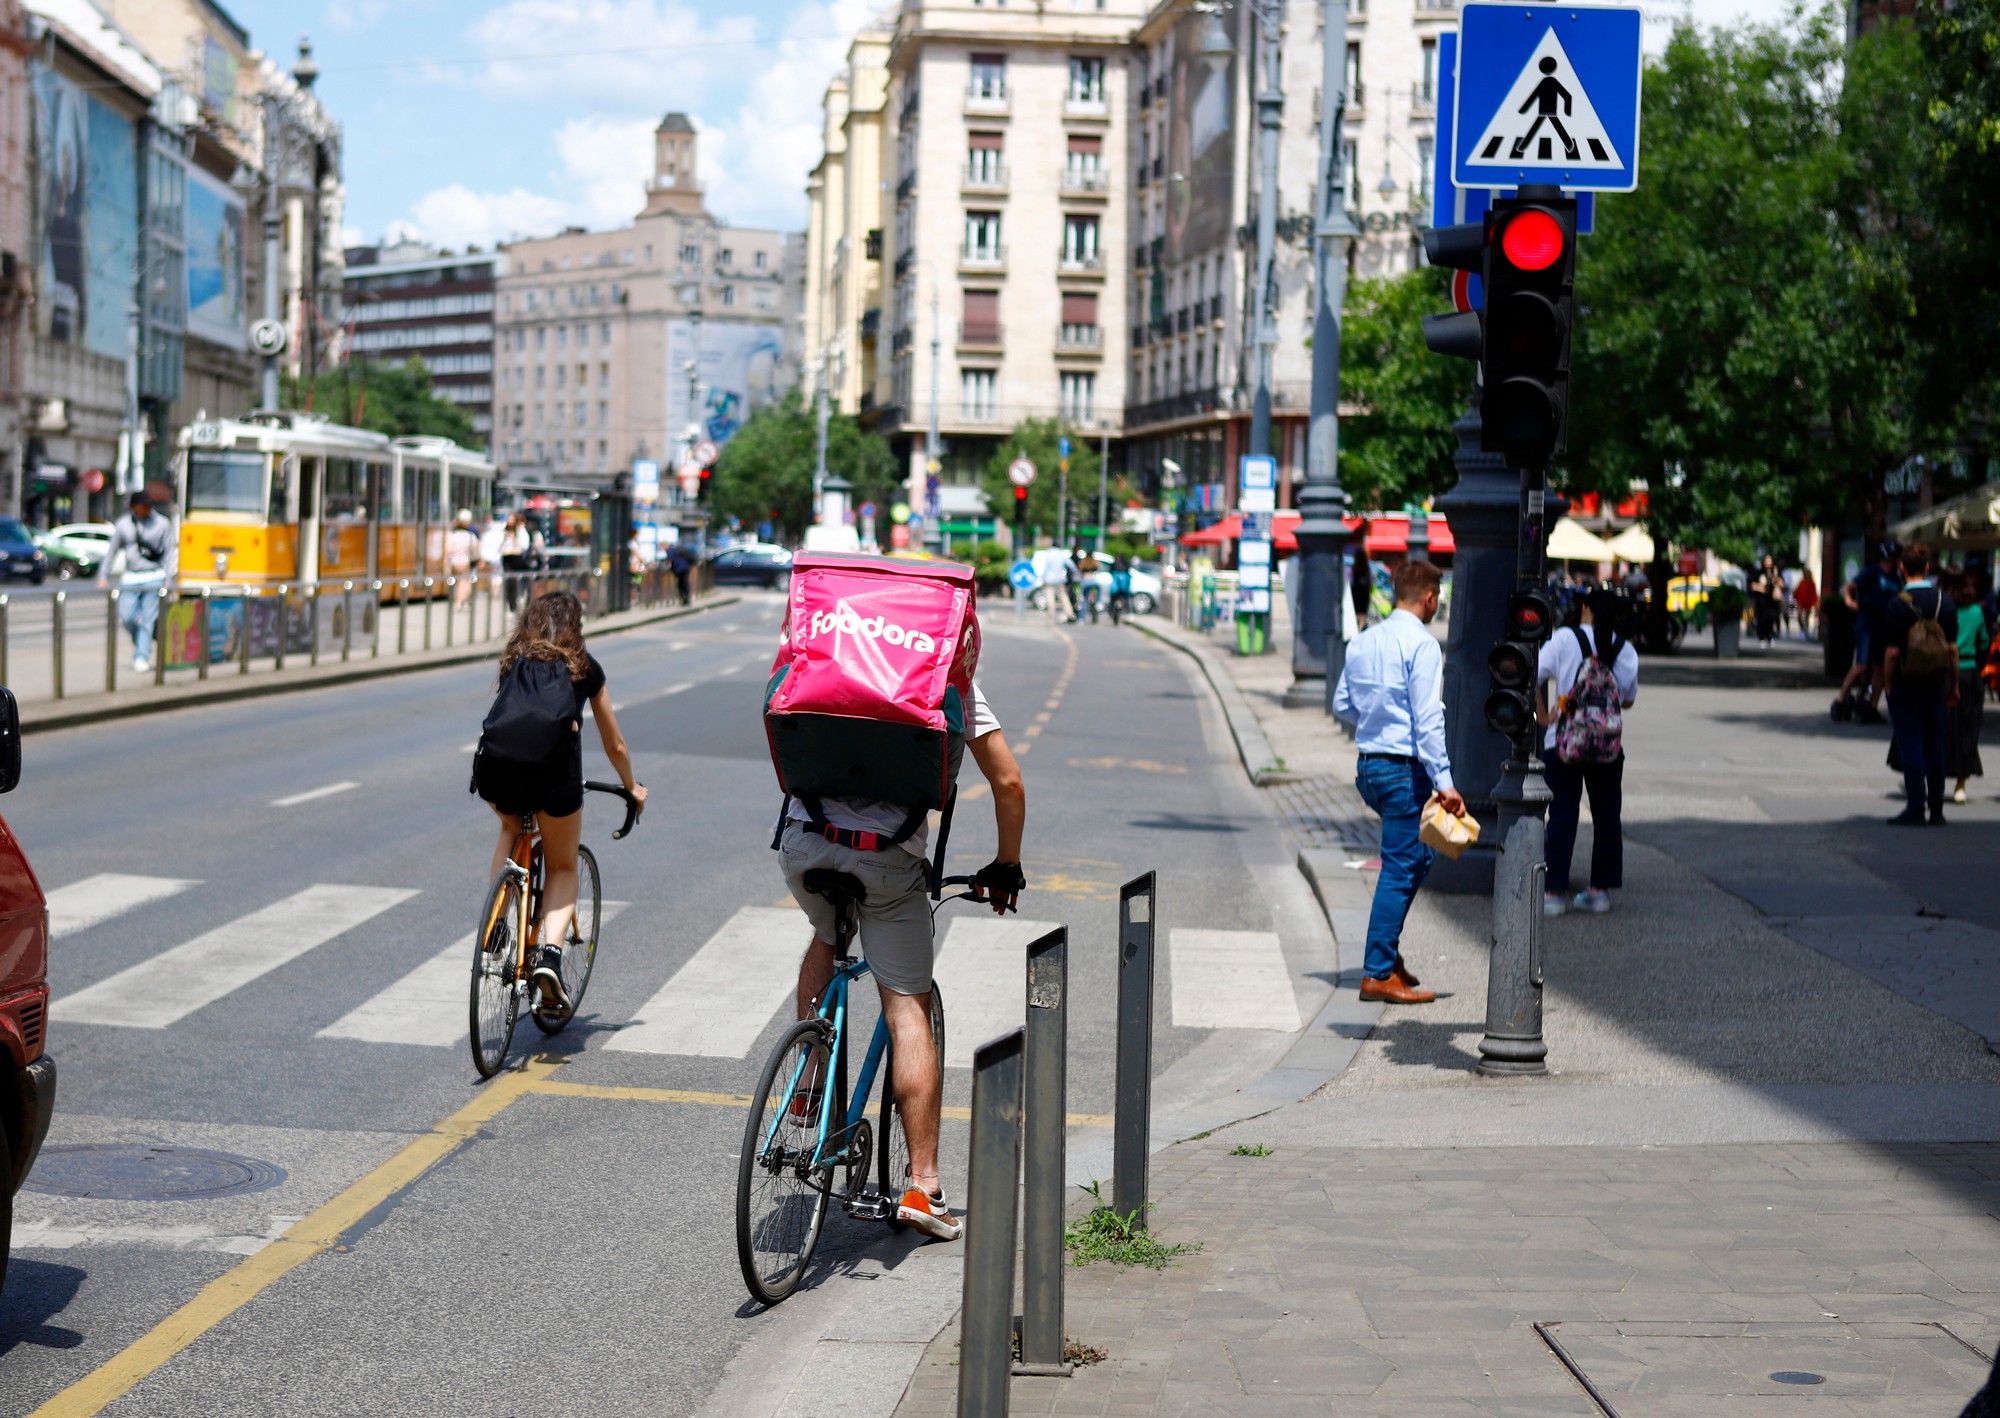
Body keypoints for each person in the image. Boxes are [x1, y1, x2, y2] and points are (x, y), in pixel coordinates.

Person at [780, 684, 1027, 1241]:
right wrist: (1006, 863)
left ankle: (808, 1088)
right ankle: (924, 1185)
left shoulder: (837, 631)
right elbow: (1007, 781)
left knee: (826, 932)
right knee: (907, 1008)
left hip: (804, 841)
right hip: (887, 856)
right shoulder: (945, 670)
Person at [474, 590, 647, 1003]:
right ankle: (550, 956)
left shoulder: (513, 660)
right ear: (576, 626)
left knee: (510, 826)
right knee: (564, 865)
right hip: (554, 779)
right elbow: (615, 744)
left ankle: (496, 920)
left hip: (498, 772)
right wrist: (632, 786)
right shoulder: (583, 667)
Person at [1332, 560, 1464, 1005]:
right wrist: (1445, 783)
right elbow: (1428, 721)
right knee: (1401, 866)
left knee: (1419, 856)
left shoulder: (1362, 641)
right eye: (1437, 599)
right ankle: (1377, 970)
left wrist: (1378, 720)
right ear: (1429, 597)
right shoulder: (1422, 646)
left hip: (1370, 767)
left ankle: (1387, 954)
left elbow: (1342, 703)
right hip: (1403, 770)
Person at [1537, 586, 1640, 915]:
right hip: (1607, 745)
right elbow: (1627, 700)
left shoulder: (1566, 639)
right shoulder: (1624, 650)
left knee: (1563, 813)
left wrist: (1544, 714)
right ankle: (1599, 891)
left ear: (1585, 608)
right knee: (1607, 815)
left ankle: (1553, 893)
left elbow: (1532, 674)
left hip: (1564, 741)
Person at [1880, 544, 1959, 826]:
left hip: (1905, 681)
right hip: (1936, 681)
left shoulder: (1896, 604)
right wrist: (1955, 685)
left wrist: (1888, 684)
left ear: (1902, 568)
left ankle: (1916, 806)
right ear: (1926, 568)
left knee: (1911, 743)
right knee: (1934, 745)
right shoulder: (1945, 603)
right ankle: (1936, 809)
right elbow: (1952, 650)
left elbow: (1891, 653)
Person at [98, 491, 176, 673]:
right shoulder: (124, 525)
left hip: (154, 576)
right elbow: (112, 551)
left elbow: (169, 552)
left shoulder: (162, 523)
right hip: (131, 577)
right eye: (143, 506)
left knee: (148, 619)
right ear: (134, 507)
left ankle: (142, 655)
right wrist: (103, 575)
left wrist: (168, 579)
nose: (147, 509)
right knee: (127, 617)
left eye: (149, 505)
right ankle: (142, 641)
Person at [1836, 543, 1900, 724]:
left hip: (1885, 624)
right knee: (1862, 664)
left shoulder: (1896, 578)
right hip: (1867, 621)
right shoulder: (1872, 572)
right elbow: (1849, 586)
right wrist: (1849, 601)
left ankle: (1872, 705)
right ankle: (1841, 697)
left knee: (1881, 667)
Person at [1947, 568, 1991, 805]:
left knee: (1944, 727)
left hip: (1945, 671)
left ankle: (1930, 777)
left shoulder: (1946, 610)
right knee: (1967, 729)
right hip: (1969, 672)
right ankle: (1960, 785)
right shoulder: (1976, 612)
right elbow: (1984, 640)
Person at [497, 513, 543, 612]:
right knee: (509, 582)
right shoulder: (503, 531)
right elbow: (498, 544)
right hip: (507, 557)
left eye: (511, 519)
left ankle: (522, 600)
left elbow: (524, 545)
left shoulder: (521, 531)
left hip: (518, 558)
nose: (509, 522)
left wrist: (515, 541)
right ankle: (511, 604)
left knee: (520, 580)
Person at [447, 510, 481, 606]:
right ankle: (460, 601)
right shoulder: (471, 534)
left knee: (456, 581)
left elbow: (448, 549)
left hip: (453, 561)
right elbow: (477, 547)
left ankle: (457, 598)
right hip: (465, 561)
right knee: (464, 581)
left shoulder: (452, 534)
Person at [1750, 556, 1784, 647]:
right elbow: (1752, 585)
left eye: (1769, 561)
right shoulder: (1759, 572)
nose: (1768, 563)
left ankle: (1770, 636)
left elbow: (1781, 584)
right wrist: (1763, 589)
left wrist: (1776, 577)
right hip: (1761, 600)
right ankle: (1762, 637)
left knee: (1771, 618)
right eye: (1766, 561)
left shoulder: (1775, 572)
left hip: (1772, 601)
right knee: (1761, 619)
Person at [1792, 568, 1819, 640]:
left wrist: (1815, 603)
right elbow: (1797, 591)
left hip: (1808, 603)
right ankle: (1803, 629)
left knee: (1807, 618)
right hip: (1801, 602)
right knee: (1799, 616)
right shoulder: (1802, 582)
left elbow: (1814, 594)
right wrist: (1794, 597)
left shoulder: (1811, 583)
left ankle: (1806, 631)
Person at [1107, 555, 1133, 626]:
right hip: (1123, 588)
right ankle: (1128, 613)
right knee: (1126, 598)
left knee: (1112, 600)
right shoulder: (1126, 564)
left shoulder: (1115, 564)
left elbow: (1110, 571)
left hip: (1115, 588)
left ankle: (1111, 614)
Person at [666, 541, 693, 605]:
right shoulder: (676, 550)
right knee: (684, 583)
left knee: (681, 584)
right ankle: (686, 599)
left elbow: (670, 560)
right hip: (685, 567)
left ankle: (684, 598)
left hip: (679, 569)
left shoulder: (670, 551)